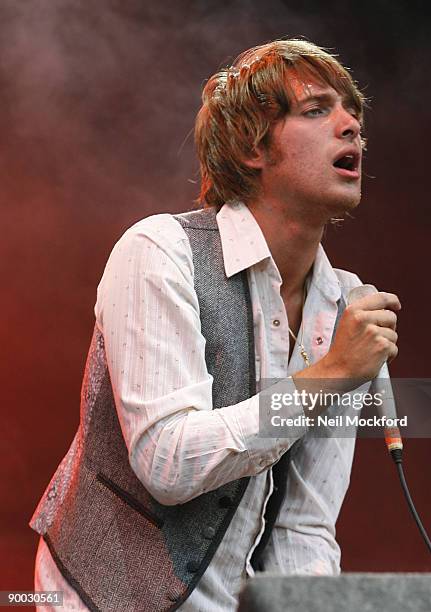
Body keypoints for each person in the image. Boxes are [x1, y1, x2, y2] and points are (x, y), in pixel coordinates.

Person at [30, 38, 400, 611]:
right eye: (316, 109)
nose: (352, 125)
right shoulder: (159, 251)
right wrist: (327, 377)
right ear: (253, 147)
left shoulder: (343, 303)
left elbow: (304, 524)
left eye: (354, 112)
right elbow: (168, 461)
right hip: (101, 598)